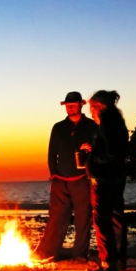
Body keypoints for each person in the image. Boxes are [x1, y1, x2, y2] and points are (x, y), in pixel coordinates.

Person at [36, 92, 98, 261]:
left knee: (83, 217)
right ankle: (48, 252)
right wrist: (53, 174)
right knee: (56, 217)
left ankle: (79, 254)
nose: (70, 107)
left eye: (73, 104)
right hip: (60, 180)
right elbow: (51, 153)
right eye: (67, 105)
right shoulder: (58, 127)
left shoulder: (91, 126)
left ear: (80, 105)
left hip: (83, 179)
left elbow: (101, 149)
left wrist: (92, 148)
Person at [83, 90, 128, 271]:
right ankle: (116, 263)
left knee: (103, 222)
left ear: (99, 106)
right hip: (115, 177)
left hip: (105, 178)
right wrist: (96, 149)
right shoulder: (114, 121)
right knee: (115, 219)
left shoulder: (109, 122)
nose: (91, 113)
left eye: (92, 108)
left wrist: (93, 159)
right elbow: (113, 148)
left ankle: (111, 267)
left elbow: (112, 152)